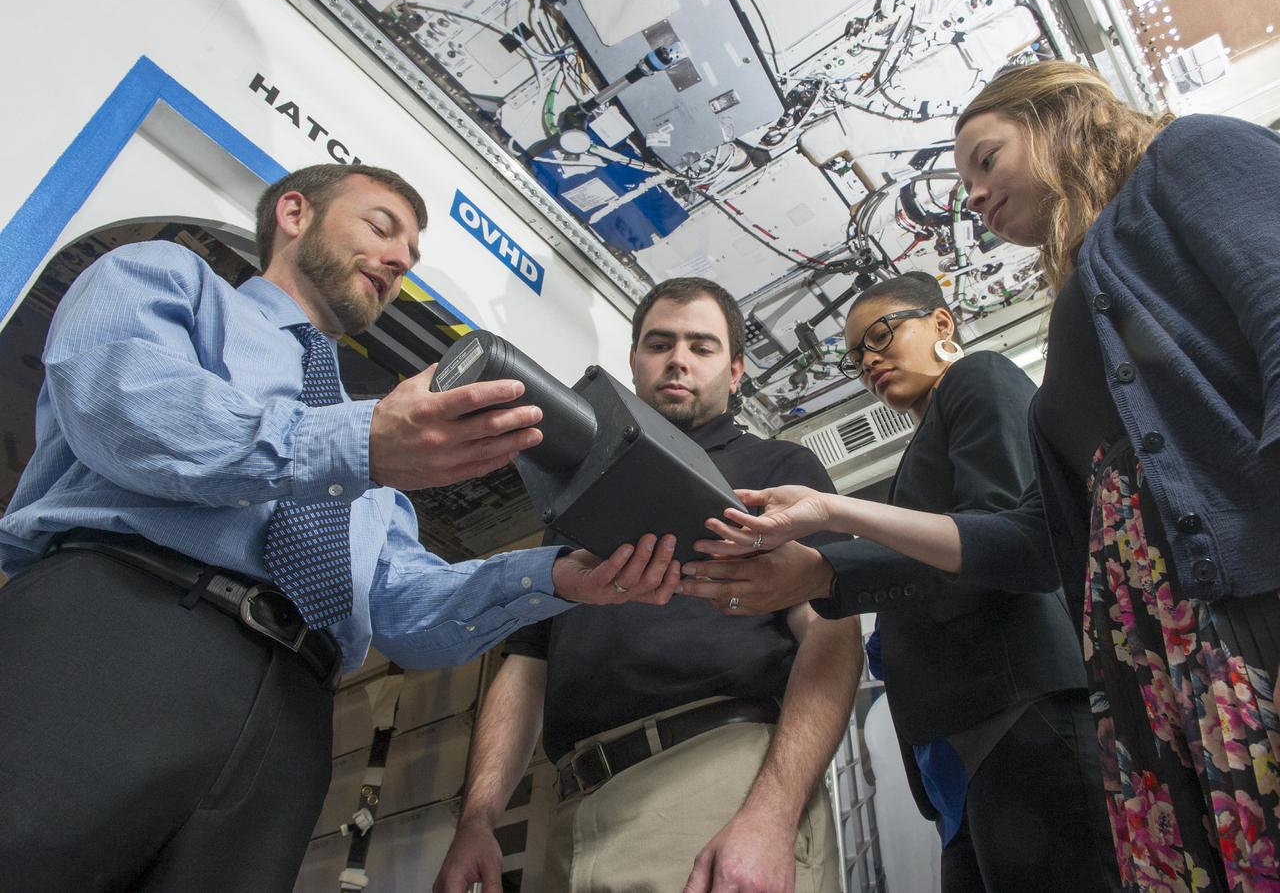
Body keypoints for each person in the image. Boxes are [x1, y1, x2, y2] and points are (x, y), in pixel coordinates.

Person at [0, 163, 681, 892]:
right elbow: (128, 411)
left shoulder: (370, 452)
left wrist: (558, 578)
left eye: (411, 257)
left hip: (292, 716)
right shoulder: (168, 281)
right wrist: (358, 446)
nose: (397, 262)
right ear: (294, 214)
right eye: (382, 228)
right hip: (121, 628)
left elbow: (407, 614)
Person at [695, 62, 1280, 892]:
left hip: (1235, 627)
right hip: (1170, 671)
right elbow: (1031, 541)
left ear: (1059, 115)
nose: (970, 196)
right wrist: (829, 528)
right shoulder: (1085, 291)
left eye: (985, 159)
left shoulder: (1188, 155)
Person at [684, 271, 1118, 891]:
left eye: (882, 334)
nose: (870, 360)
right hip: (966, 741)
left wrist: (827, 570)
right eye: (858, 353)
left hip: (1022, 712)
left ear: (943, 324)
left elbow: (1003, 538)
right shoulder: (925, 448)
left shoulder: (979, 377)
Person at [433, 277, 861, 893]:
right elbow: (526, 667)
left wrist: (771, 815)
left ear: (736, 371)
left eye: (702, 346)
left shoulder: (779, 473)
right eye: (659, 343)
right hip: (571, 808)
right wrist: (478, 820)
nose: (678, 359)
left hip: (713, 779)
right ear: (633, 361)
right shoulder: (569, 499)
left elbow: (832, 631)